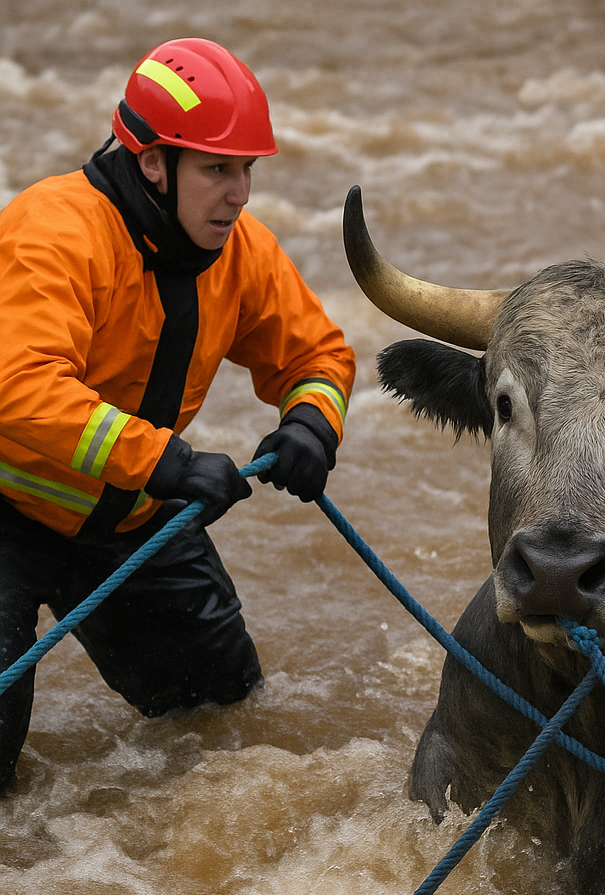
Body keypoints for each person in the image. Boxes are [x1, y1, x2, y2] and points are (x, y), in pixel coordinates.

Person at [0, 39, 356, 793]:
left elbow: (318, 355)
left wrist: (310, 425)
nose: (241, 195)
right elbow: (20, 385)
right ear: (153, 163)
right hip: (8, 512)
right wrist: (166, 463)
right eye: (217, 170)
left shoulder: (241, 250)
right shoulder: (53, 230)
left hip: (129, 522)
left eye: (248, 170)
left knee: (221, 726)